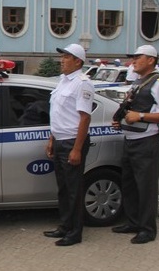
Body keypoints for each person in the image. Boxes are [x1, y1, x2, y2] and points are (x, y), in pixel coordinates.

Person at [111, 45, 159, 245]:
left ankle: (147, 229)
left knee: (146, 187)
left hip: (146, 141)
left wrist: (139, 116)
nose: (133, 61)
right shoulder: (140, 82)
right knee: (129, 184)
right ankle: (133, 221)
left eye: (138, 57)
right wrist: (120, 120)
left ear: (150, 60)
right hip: (131, 139)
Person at [43, 43, 94, 247]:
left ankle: (74, 232)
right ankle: (64, 226)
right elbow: (58, 115)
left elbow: (84, 118)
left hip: (73, 141)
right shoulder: (63, 81)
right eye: (62, 56)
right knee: (63, 188)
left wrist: (77, 149)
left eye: (66, 57)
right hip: (60, 140)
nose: (62, 60)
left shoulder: (82, 83)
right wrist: (52, 139)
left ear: (78, 61)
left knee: (74, 189)